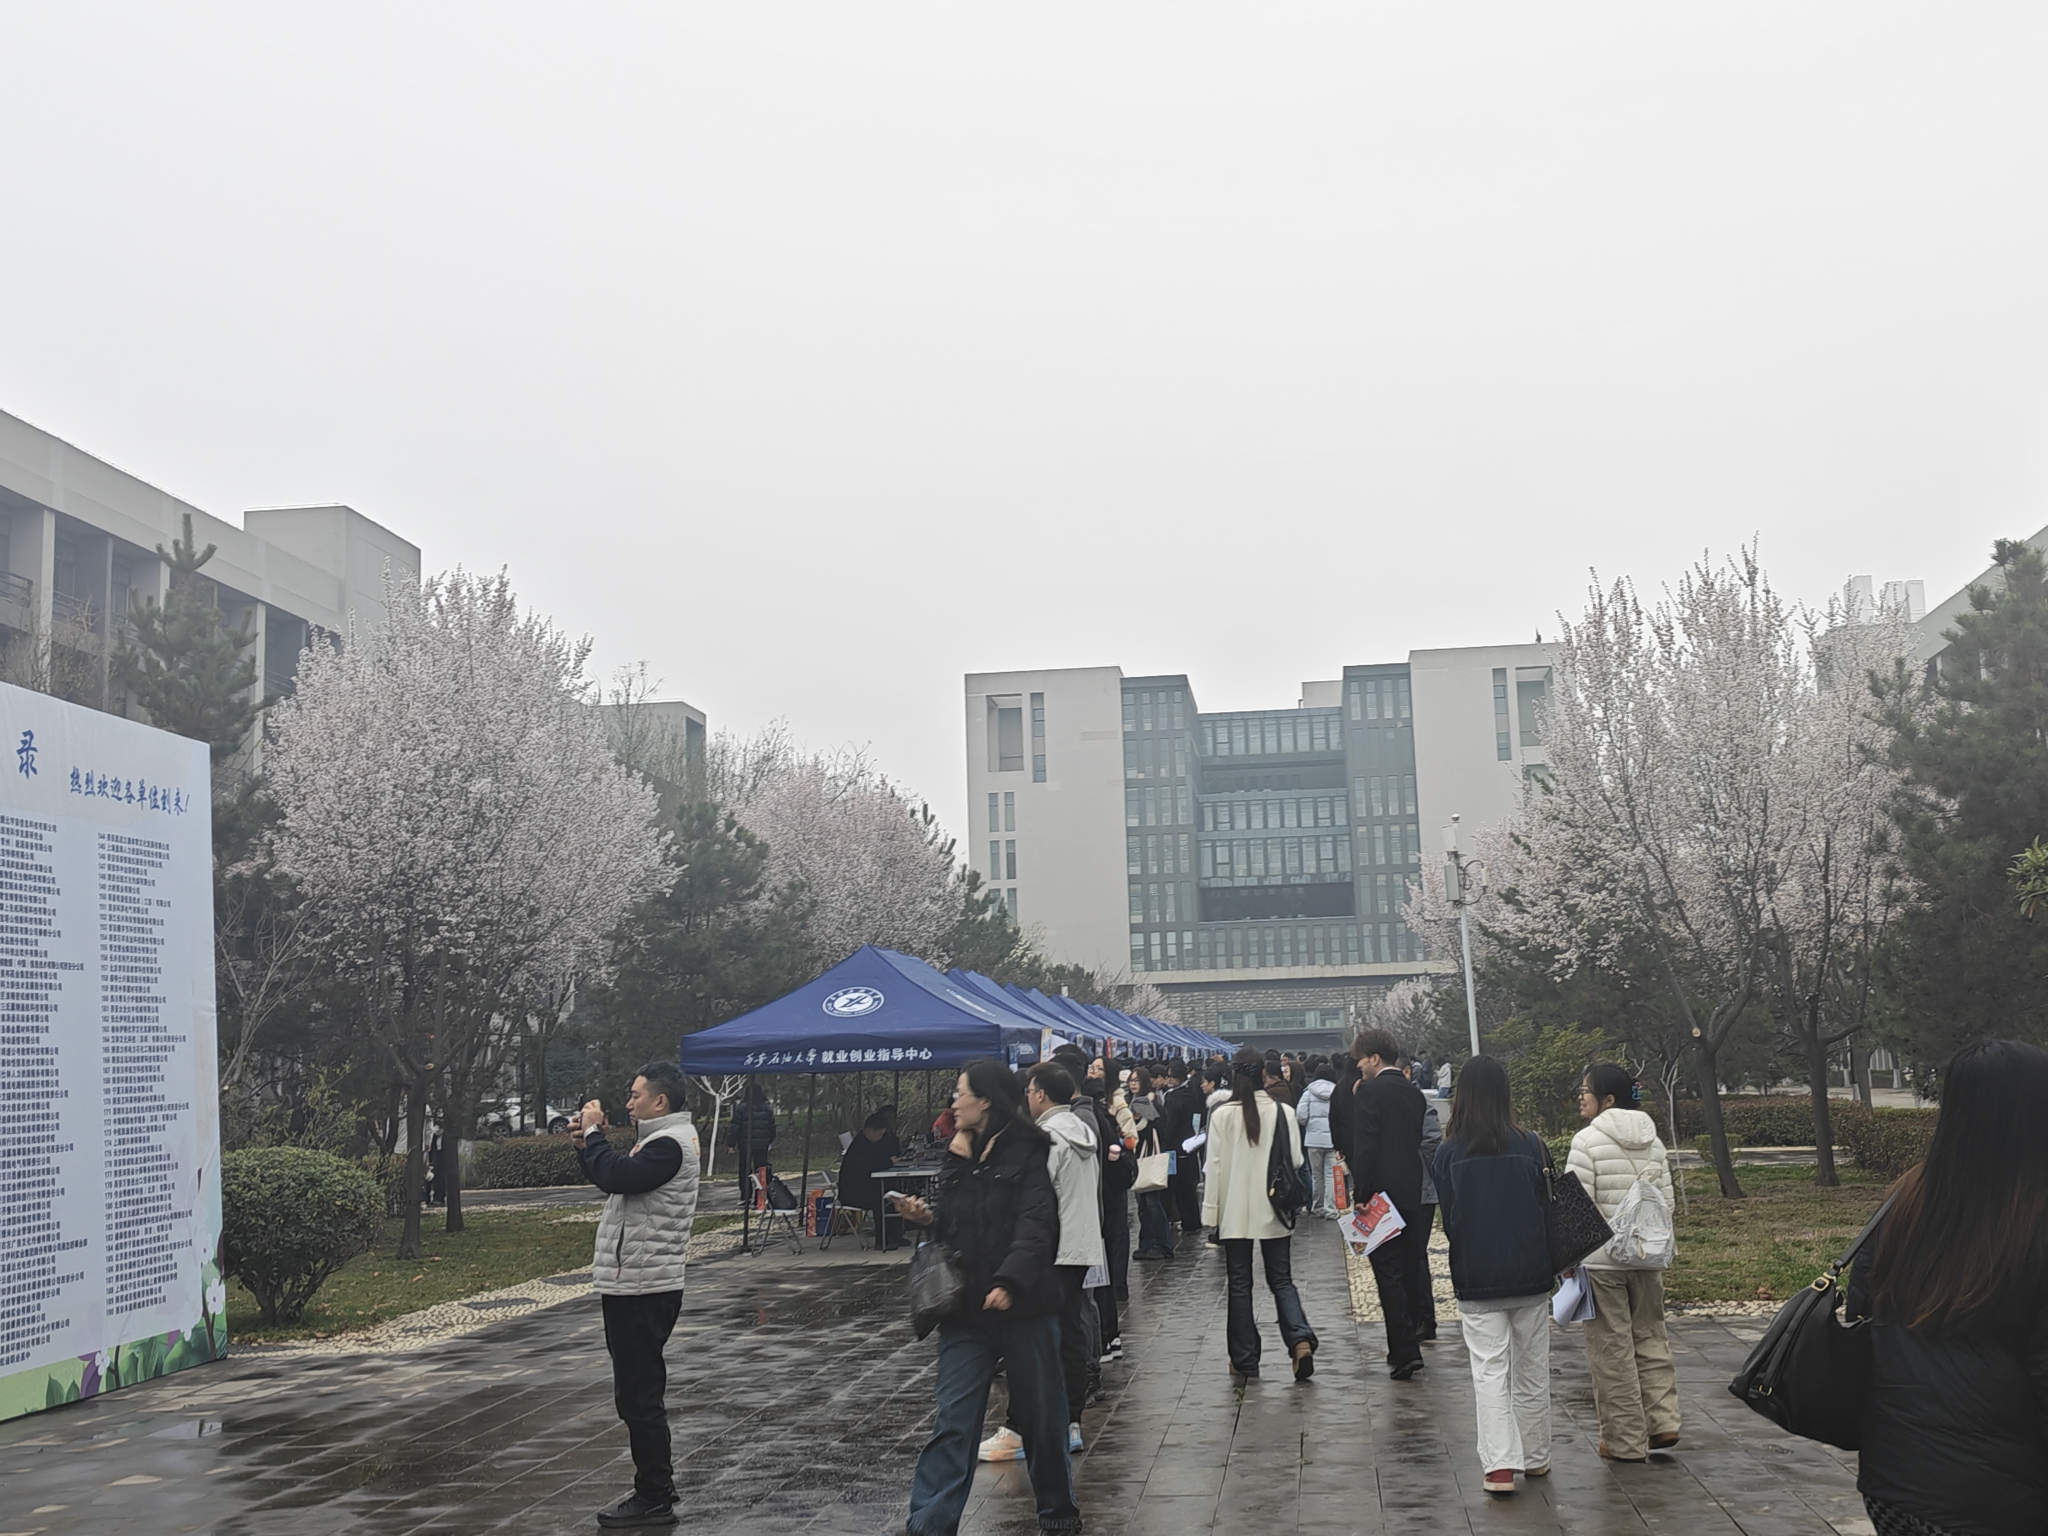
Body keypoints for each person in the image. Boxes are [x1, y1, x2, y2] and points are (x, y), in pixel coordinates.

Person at [1847, 1039, 2048, 1536]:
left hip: (1895, 1480)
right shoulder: (2033, 1212)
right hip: (1999, 1494)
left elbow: (1860, 1310)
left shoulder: (1906, 1198)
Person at [892, 1061, 1080, 1536]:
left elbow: (1037, 1225)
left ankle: (1058, 1513)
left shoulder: (1030, 1151)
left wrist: (1009, 1282)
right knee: (953, 1421)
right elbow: (954, 1224)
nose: (954, 1103)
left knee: (1041, 1419)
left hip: (1025, 1306)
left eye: (961, 1093)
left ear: (987, 1100)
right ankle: (928, 1524)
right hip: (965, 1311)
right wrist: (925, 1219)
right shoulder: (956, 1154)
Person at [573, 1062, 703, 1529]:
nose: (628, 1103)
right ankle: (655, 1487)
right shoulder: (659, 1140)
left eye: (635, 1095)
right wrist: (585, 1145)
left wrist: (594, 1135)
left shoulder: (669, 1144)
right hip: (637, 1281)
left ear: (660, 1101)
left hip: (645, 1286)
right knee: (636, 1393)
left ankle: (654, 1495)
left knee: (639, 1397)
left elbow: (618, 1177)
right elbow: (612, 1175)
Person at [1432, 1055, 1552, 1498]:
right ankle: (1536, 1455)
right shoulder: (1532, 1144)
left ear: (1461, 1095)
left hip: (1477, 1273)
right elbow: (1548, 1204)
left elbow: (1450, 1218)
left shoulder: (1448, 1153)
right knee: (1532, 1368)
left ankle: (1500, 1466)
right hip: (1531, 1272)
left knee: (1489, 1370)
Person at [980, 1061, 1105, 1461]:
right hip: (1080, 1246)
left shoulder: (1047, 1138)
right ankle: (1070, 1422)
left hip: (1051, 1248)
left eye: (1030, 1090)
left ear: (1039, 1094)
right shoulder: (1083, 1131)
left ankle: (1019, 1428)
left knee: (1030, 1336)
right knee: (1070, 1334)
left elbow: (1035, 1197)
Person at [1567, 1063, 1678, 1461]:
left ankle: (1624, 1442)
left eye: (1586, 1090)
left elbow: (1577, 1209)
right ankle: (1663, 1422)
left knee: (1611, 1350)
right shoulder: (1654, 1141)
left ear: (1608, 1099)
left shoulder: (1586, 1141)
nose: (1580, 1097)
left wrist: (1570, 1260)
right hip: (1648, 1258)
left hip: (1603, 1264)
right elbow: (1667, 1204)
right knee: (1651, 1338)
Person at [1203, 1046, 1318, 1384]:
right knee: (1281, 1278)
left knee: (1240, 1283)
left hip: (1234, 1210)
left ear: (1233, 1075)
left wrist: (1212, 1215)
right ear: (1263, 1074)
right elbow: (1296, 1160)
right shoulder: (1283, 1112)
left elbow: (1214, 1169)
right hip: (1274, 1207)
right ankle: (1299, 1339)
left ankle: (1244, 1358)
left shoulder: (1221, 1115)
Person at [1344, 1028, 1428, 1379]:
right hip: (1411, 1191)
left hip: (1380, 1196)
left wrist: (1360, 1195)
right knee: (1409, 1268)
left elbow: (1365, 1146)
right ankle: (1407, 1341)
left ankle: (1405, 1350)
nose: (1359, 1066)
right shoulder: (1415, 1095)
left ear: (1375, 1058)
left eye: (1361, 1060)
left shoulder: (1369, 1092)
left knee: (1388, 1274)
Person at [1410, 1061, 1443, 1342]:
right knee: (1415, 1256)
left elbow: (1432, 1142)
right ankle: (1421, 1317)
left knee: (1415, 1255)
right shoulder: (1419, 1102)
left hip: (1419, 1188)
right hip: (1421, 1187)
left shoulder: (1417, 1101)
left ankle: (1423, 1318)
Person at [839, 1110, 903, 1250]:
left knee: (893, 1197)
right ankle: (882, 1241)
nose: (881, 1138)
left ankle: (895, 1236)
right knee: (880, 1202)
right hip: (853, 1193)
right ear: (870, 1131)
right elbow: (870, 1166)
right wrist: (889, 1162)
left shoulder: (869, 1144)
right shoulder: (860, 1146)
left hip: (865, 1188)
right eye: (879, 1134)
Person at [1130, 1068, 1177, 1260]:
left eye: (1136, 1080)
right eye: (1131, 1080)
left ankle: (1163, 1244)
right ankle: (1146, 1243)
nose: (1133, 1084)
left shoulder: (1150, 1103)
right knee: (1143, 1206)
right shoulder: (1131, 1103)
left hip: (1150, 1157)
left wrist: (1144, 1122)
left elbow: (1159, 1129)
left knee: (1153, 1204)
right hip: (1138, 1159)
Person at [1160, 1061, 1207, 1237]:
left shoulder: (1172, 1097)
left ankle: (1183, 1220)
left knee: (1176, 1187)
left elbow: (1170, 1124)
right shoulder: (1193, 1093)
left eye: (1172, 1077)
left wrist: (1165, 1141)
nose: (1170, 1080)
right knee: (1187, 1187)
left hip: (1174, 1147)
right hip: (1190, 1144)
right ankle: (1192, 1220)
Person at [1295, 1063, 1338, 1218]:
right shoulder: (1337, 1091)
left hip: (1313, 1140)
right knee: (1331, 1175)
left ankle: (1317, 1206)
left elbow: (1301, 1116)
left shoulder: (1308, 1092)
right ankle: (1331, 1209)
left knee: (1316, 1175)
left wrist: (1310, 1125)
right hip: (1333, 1139)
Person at [725, 1083, 776, 1197]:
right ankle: (761, 1195)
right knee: (761, 1170)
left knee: (745, 1170)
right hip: (762, 1144)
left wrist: (731, 1143)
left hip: (745, 1144)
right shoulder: (767, 1109)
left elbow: (735, 1127)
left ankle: (746, 1195)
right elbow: (772, 1127)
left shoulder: (741, 1109)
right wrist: (769, 1141)